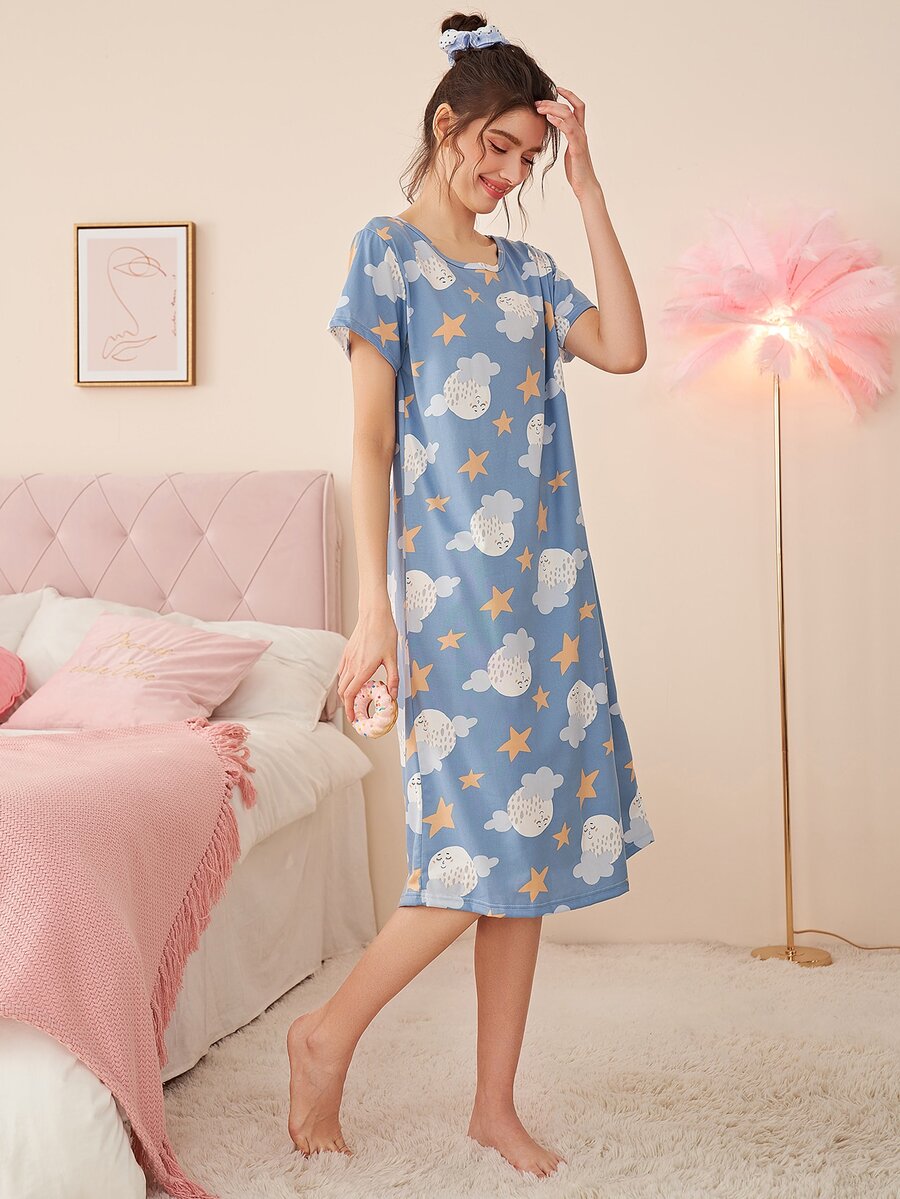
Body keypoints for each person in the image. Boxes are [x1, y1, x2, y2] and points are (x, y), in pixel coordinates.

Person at [288, 11, 654, 1179]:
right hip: (448, 604)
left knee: (524, 853)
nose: (509, 176)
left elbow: (628, 349)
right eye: (498, 148)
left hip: (549, 598)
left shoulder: (533, 275)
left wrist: (588, 188)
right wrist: (374, 608)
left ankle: (493, 1104)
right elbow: (368, 444)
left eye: (528, 161)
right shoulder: (385, 256)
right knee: (471, 854)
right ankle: (325, 1035)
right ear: (447, 126)